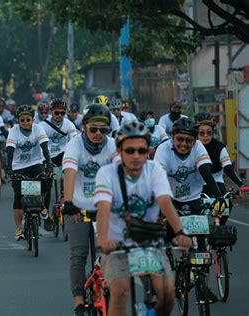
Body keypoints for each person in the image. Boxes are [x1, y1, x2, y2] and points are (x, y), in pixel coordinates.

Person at [94, 121, 192, 316]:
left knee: (167, 293)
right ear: (120, 151)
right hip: (117, 245)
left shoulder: (154, 169)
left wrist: (180, 232)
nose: (136, 156)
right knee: (120, 291)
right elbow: (103, 208)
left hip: (149, 243)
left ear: (148, 150)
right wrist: (104, 240)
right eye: (130, 150)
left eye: (142, 150)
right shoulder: (106, 173)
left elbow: (164, 201)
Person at [154, 117, 227, 303]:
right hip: (169, 197)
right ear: (172, 137)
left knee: (201, 249)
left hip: (194, 199)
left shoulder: (198, 148)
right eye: (180, 139)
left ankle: (202, 287)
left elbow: (205, 171)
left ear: (194, 141)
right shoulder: (163, 150)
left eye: (189, 140)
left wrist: (219, 197)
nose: (184, 144)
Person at [60, 103, 120, 315]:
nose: (98, 134)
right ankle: (78, 299)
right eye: (93, 129)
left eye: (103, 130)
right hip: (78, 208)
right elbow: (69, 172)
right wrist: (68, 203)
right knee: (79, 255)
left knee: (109, 253)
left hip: (105, 209)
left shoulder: (112, 145)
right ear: (84, 127)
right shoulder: (75, 144)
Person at [5, 104, 53, 240]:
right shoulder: (13, 131)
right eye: (22, 120)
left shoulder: (38, 129)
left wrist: (48, 163)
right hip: (18, 166)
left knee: (44, 182)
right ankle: (19, 228)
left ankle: (42, 205)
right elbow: (10, 150)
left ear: (33, 120)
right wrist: (8, 168)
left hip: (35, 163)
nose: (25, 122)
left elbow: (44, 148)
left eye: (28, 120)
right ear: (18, 121)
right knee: (19, 196)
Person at [194, 112, 249, 224]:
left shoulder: (220, 147)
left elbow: (228, 168)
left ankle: (218, 227)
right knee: (195, 208)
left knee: (226, 204)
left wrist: (241, 185)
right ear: (196, 133)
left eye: (209, 133)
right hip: (197, 182)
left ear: (213, 133)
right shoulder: (192, 146)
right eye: (201, 133)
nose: (205, 136)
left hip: (216, 181)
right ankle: (199, 232)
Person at [39, 98, 78, 226]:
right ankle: (46, 217)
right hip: (46, 156)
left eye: (62, 113)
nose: (59, 116)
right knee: (47, 185)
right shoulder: (42, 126)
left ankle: (65, 199)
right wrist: (45, 162)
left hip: (63, 154)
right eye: (57, 113)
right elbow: (40, 145)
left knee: (69, 177)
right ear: (51, 112)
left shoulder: (69, 125)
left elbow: (74, 143)